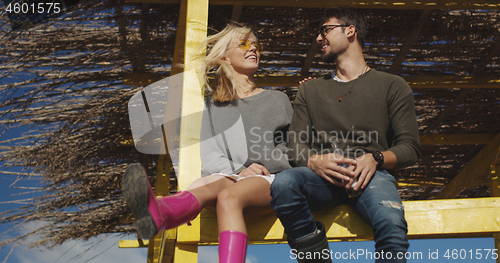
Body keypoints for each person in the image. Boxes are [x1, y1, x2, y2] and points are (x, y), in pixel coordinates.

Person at [122, 23, 293, 263]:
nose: (253, 48)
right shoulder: (211, 107)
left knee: (221, 190)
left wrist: (264, 170)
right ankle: (159, 214)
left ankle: (164, 212)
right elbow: (210, 155)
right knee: (206, 182)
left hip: (273, 182)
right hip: (231, 180)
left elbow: (296, 147)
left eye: (257, 44)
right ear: (225, 55)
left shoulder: (278, 99)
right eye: (244, 43)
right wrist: (241, 170)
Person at [270, 6, 421, 263]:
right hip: (322, 180)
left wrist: (375, 158)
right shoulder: (310, 90)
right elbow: (295, 143)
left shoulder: (392, 85)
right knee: (284, 184)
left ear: (350, 30)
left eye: (325, 30)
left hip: (373, 177)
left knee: (392, 226)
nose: (319, 39)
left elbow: (411, 148)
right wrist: (313, 161)